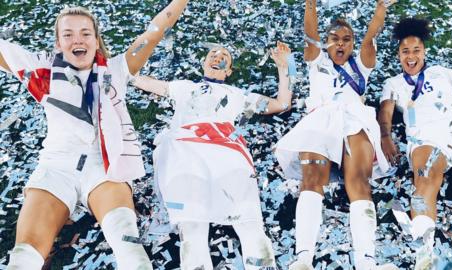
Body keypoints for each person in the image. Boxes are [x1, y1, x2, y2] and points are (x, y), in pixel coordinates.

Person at [0, 1, 189, 269]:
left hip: (104, 166)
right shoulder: (41, 71)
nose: (77, 40)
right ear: (58, 43)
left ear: (96, 40)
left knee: (130, 248)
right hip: (55, 167)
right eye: (68, 34)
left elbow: (154, 32)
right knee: (23, 258)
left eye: (85, 33)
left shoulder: (116, 70)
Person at [133, 41, 292, 270]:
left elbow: (282, 104)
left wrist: (284, 68)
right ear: (203, 64)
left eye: (224, 55)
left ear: (229, 71)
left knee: (250, 224)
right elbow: (143, 81)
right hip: (185, 151)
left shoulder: (239, 95)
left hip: (227, 151)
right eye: (212, 54)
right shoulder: (184, 87)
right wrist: (123, 69)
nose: (217, 56)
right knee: (192, 227)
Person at [274, 0, 399, 269]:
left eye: (346, 39)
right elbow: (310, 34)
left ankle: (366, 261)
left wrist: (380, 11)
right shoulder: (316, 60)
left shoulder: (362, 65)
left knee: (359, 185)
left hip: (355, 120)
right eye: (334, 39)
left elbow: (370, 38)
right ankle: (303, 258)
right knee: (311, 180)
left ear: (352, 44)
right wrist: (310, 5)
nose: (340, 44)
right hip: (321, 118)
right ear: (326, 42)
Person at [378, 17, 452, 270]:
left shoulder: (440, 73)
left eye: (416, 50)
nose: (411, 56)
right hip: (426, 135)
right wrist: (385, 137)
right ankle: (424, 254)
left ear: (424, 52)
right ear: (398, 54)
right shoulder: (393, 83)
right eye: (405, 51)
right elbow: (385, 113)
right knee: (424, 178)